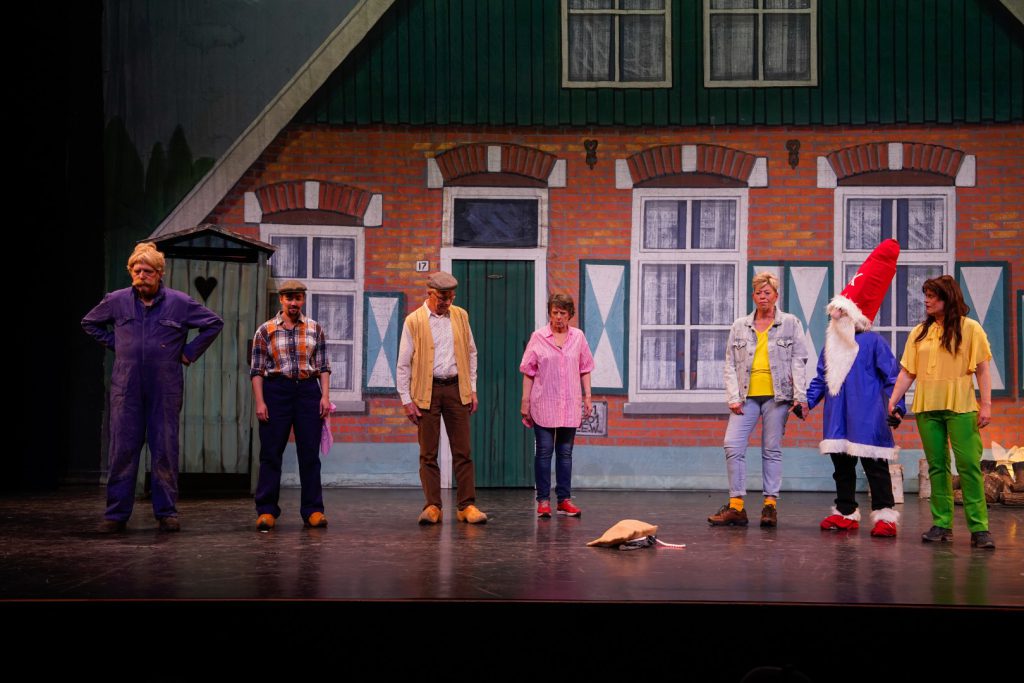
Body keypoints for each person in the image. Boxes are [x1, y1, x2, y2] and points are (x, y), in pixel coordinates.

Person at [82, 242, 224, 532]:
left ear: (160, 273)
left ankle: (167, 512)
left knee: (164, 448)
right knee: (122, 449)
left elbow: (214, 323)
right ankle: (116, 514)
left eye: (147, 271)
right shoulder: (117, 301)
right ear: (130, 272)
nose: (141, 275)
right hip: (127, 387)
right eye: (136, 270)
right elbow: (90, 323)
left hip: (165, 387)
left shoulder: (179, 302)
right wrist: (117, 344)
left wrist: (189, 352)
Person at [805, 239, 905, 537]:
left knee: (876, 468)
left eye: (840, 312)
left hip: (869, 417)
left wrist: (898, 407)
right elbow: (821, 377)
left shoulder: (873, 342)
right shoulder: (832, 344)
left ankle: (885, 516)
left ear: (854, 317)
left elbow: (893, 377)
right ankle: (846, 511)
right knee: (842, 468)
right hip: (838, 416)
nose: (834, 317)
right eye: (834, 312)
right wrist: (806, 402)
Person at [888, 275, 995, 549]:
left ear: (948, 298)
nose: (926, 301)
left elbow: (983, 369)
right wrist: (893, 400)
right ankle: (942, 524)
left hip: (961, 406)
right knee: (937, 467)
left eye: (932, 296)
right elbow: (908, 372)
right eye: (926, 295)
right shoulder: (919, 333)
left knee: (969, 465)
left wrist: (986, 404)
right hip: (928, 408)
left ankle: (979, 528)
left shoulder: (970, 328)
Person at [711, 272, 808, 527]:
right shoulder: (740, 325)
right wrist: (733, 397)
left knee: (771, 449)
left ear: (776, 295)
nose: (762, 296)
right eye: (758, 292)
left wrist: (800, 396)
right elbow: (730, 364)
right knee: (732, 445)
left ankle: (769, 506)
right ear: (753, 296)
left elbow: (799, 361)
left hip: (778, 396)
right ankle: (736, 507)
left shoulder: (790, 323)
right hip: (746, 397)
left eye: (767, 292)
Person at [396, 272, 487, 524]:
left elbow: (471, 353)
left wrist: (472, 388)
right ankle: (433, 506)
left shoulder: (460, 316)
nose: (446, 303)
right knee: (428, 452)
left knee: (463, 450)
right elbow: (403, 363)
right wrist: (406, 399)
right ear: (430, 293)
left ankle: (466, 506)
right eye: (442, 298)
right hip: (427, 392)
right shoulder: (414, 321)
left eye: (450, 298)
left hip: (456, 389)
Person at [250, 280, 332, 531]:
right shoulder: (265, 330)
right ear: (281, 300)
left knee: (309, 454)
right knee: (271, 453)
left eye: (298, 298)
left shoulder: (315, 328)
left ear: (303, 300)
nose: (294, 303)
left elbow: (323, 366)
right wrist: (260, 402)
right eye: (289, 298)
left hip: (307, 391)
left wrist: (325, 397)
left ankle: (313, 510)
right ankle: (266, 510)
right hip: (277, 391)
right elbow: (256, 370)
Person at [519, 293, 595, 518]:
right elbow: (528, 371)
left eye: (562, 313)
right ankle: (543, 501)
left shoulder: (578, 337)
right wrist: (525, 401)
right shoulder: (538, 337)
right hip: (543, 402)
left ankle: (564, 500)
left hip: (569, 403)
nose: (558, 317)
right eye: (554, 312)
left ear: (570, 314)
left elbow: (585, 368)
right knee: (544, 451)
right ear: (549, 313)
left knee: (565, 453)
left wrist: (588, 396)